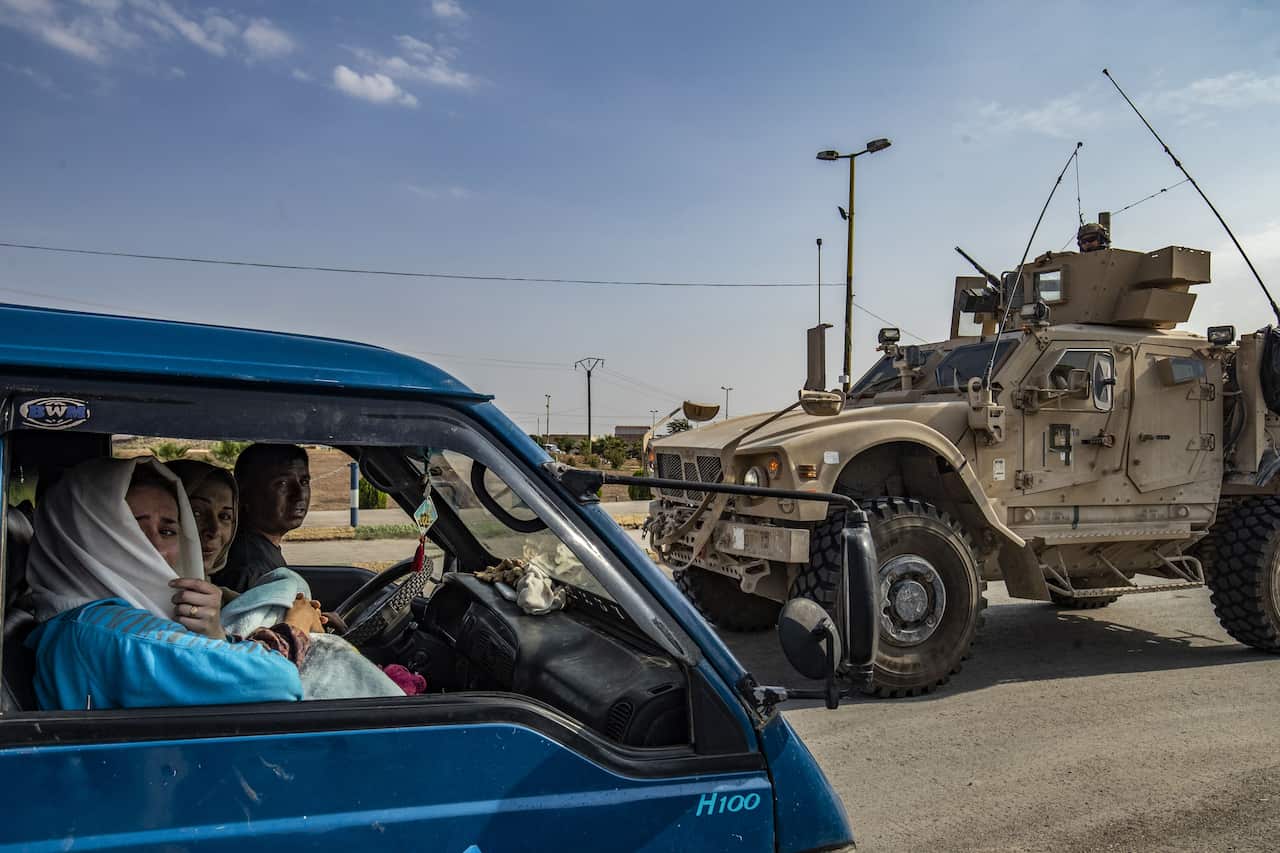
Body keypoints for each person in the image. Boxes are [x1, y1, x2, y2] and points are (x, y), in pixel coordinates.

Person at [24, 456, 323, 710]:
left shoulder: (84, 621)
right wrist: (295, 626)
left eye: (168, 531)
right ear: (86, 536)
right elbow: (278, 680)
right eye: (131, 530)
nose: (152, 547)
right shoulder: (110, 632)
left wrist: (214, 635)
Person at [221, 443, 311, 593]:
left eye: (304, 482)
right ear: (244, 494)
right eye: (282, 484)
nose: (300, 494)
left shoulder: (261, 551)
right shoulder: (250, 570)